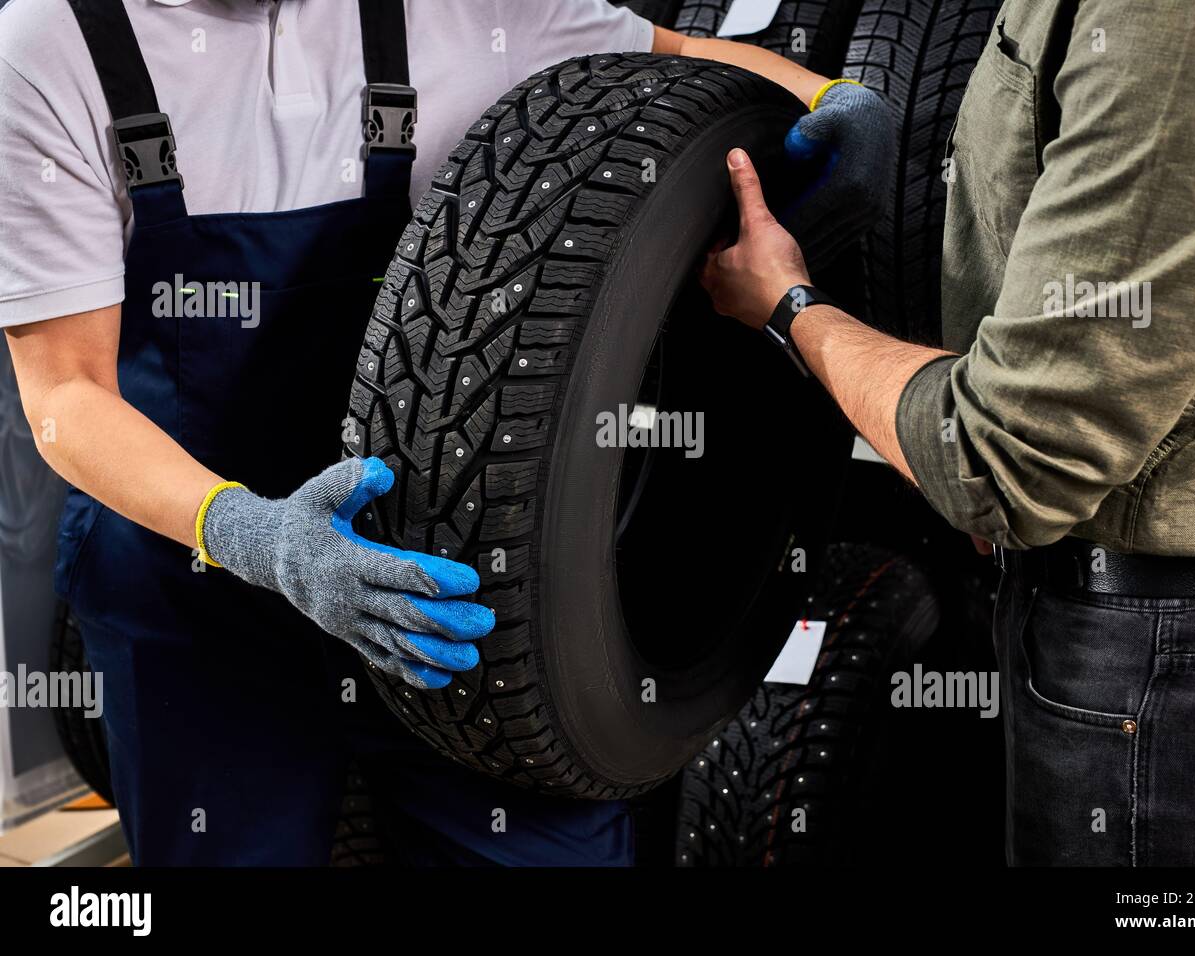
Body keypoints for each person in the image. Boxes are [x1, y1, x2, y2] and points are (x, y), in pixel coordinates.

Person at [0, 0, 887, 865]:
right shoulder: (56, 43)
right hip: (197, 599)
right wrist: (257, 537)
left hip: (461, 606)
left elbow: (679, 56)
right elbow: (65, 394)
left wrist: (830, 101)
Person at [701, 0, 1195, 866]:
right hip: (1111, 609)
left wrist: (791, 308)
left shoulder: (1189, 18)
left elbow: (1006, 464)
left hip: (1182, 659)